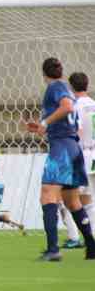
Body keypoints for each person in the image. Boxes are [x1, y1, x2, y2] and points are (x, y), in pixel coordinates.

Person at [25, 58, 95, 261]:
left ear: (43, 73)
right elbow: (67, 116)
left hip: (62, 149)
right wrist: (42, 128)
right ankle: (91, 246)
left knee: (47, 196)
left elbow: (66, 107)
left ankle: (53, 249)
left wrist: (45, 123)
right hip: (73, 148)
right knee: (72, 201)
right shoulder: (67, 89)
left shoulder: (55, 87)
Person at [58, 72, 95, 249]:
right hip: (93, 154)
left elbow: (76, 132)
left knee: (63, 198)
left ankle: (74, 237)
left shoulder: (75, 106)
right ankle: (91, 236)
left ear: (71, 87)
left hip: (79, 156)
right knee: (88, 199)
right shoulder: (93, 105)